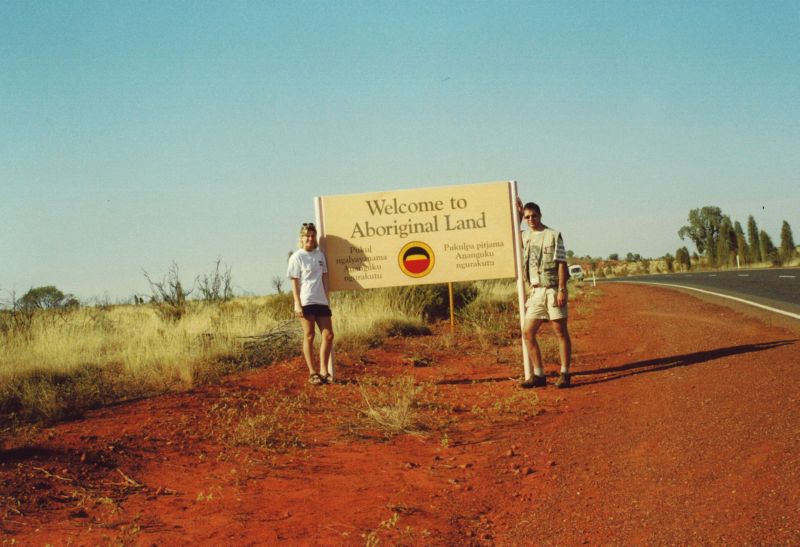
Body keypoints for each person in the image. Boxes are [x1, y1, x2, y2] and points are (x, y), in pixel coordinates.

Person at [516, 199, 572, 388]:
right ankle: (539, 375)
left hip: (553, 289)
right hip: (536, 292)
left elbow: (562, 263)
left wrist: (562, 289)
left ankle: (565, 373)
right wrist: (517, 214)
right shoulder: (525, 237)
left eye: (534, 216)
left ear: (540, 215)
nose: (531, 219)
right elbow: (511, 233)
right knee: (528, 332)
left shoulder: (553, 235)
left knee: (560, 331)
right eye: (527, 217)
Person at [287, 222, 334, 385]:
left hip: (321, 300)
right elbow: (294, 282)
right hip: (306, 301)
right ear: (301, 238)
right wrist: (297, 304)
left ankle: (323, 370)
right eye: (307, 236)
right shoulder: (296, 257)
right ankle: (312, 372)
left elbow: (325, 276)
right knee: (310, 335)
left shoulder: (320, 255)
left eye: (312, 235)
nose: (310, 238)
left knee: (328, 335)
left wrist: (327, 297)